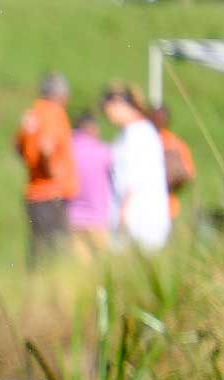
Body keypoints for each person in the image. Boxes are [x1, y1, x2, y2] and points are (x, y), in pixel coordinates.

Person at [14, 72, 78, 268]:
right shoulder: (53, 112)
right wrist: (53, 172)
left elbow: (17, 147)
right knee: (58, 255)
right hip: (51, 196)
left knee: (38, 254)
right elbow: (46, 146)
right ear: (60, 94)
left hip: (34, 195)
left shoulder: (33, 114)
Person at [102, 84, 171, 253]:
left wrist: (123, 215)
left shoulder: (138, 134)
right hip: (133, 218)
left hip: (139, 220)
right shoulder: (131, 133)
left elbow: (134, 179)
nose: (107, 114)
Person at [67, 110, 113, 259]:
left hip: (73, 218)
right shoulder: (103, 152)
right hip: (98, 218)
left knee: (81, 272)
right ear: (92, 129)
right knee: (104, 268)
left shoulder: (68, 151)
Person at [152, 105, 195, 222]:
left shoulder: (175, 144)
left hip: (167, 207)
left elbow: (187, 174)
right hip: (164, 206)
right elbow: (188, 174)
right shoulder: (176, 144)